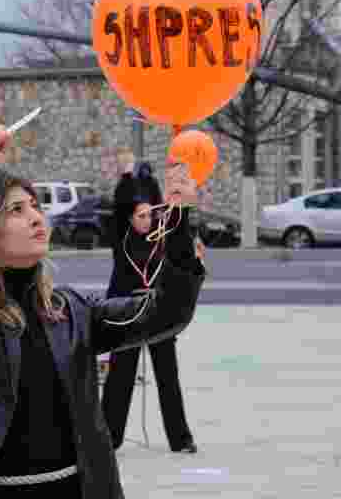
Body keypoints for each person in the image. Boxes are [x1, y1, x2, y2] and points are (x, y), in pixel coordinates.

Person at [0, 126, 206, 499]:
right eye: (16, 210)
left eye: (35, 206)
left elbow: (166, 313)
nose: (36, 217)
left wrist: (178, 221)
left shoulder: (73, 313)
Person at [101, 151, 198, 455]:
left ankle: (180, 438)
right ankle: (108, 438)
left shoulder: (160, 240)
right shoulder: (121, 239)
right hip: (127, 314)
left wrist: (176, 191)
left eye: (149, 215)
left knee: (168, 376)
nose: (147, 220)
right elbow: (120, 206)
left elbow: (176, 222)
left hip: (158, 313)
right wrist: (126, 176)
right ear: (130, 218)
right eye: (140, 215)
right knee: (120, 377)